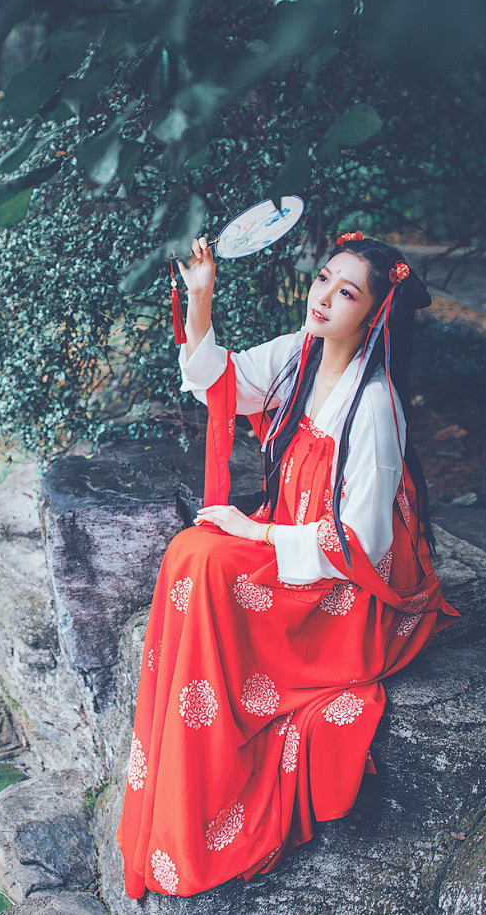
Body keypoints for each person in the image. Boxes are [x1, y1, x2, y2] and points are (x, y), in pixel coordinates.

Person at [117, 231, 460, 899]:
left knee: (211, 560)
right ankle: (183, 777)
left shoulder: (377, 404)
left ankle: (210, 794)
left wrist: (256, 529)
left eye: (347, 291)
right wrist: (202, 296)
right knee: (187, 551)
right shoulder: (300, 356)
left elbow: (360, 543)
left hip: (343, 598)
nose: (325, 296)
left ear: (373, 313)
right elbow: (217, 383)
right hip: (291, 553)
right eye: (325, 279)